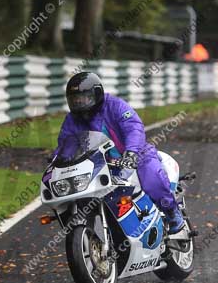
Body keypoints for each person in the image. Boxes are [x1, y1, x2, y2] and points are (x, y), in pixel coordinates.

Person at [55, 72, 186, 234]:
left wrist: (131, 152)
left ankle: (172, 213)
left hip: (135, 154)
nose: (79, 102)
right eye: (75, 99)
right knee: (79, 194)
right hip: (99, 166)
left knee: (152, 177)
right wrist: (59, 162)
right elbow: (66, 144)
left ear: (97, 94)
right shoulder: (72, 120)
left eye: (84, 97)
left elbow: (133, 127)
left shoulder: (115, 105)